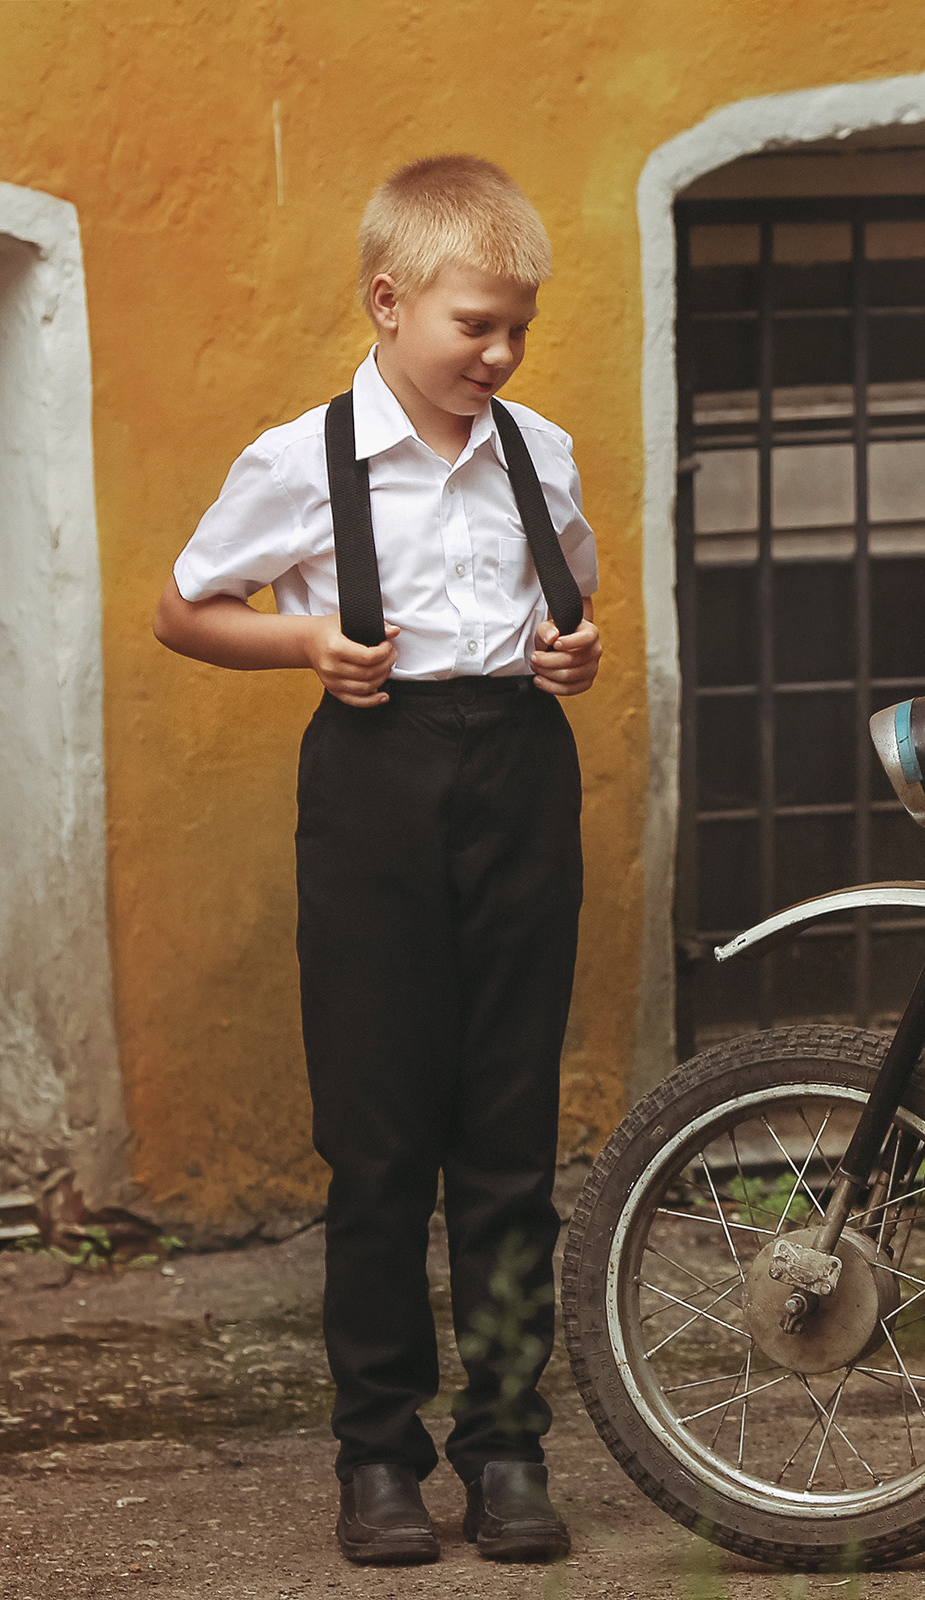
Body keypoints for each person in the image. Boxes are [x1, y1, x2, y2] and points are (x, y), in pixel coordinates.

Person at [154, 155, 599, 1565]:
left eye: (518, 327)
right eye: (477, 325)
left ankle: (511, 1448)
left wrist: (571, 654)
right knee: (381, 1146)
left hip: (521, 776)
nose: (501, 351)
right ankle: (379, 1457)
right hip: (373, 789)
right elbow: (182, 608)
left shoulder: (545, 451)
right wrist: (301, 642)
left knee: (510, 1146)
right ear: (388, 300)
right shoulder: (303, 460)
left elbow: (567, 605)